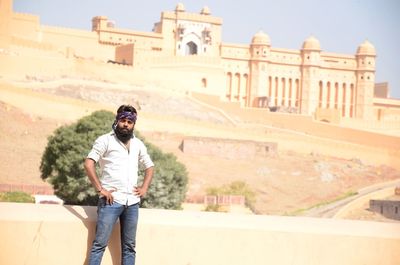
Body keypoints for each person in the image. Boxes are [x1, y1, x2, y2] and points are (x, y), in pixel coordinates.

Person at [84, 104, 154, 265]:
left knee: (130, 247)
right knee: (99, 245)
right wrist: (100, 189)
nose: (126, 124)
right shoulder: (105, 140)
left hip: (133, 203)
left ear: (133, 124)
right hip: (111, 201)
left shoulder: (138, 144)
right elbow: (88, 164)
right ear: (117, 120)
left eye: (130, 122)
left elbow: (149, 166)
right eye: (123, 120)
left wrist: (144, 188)